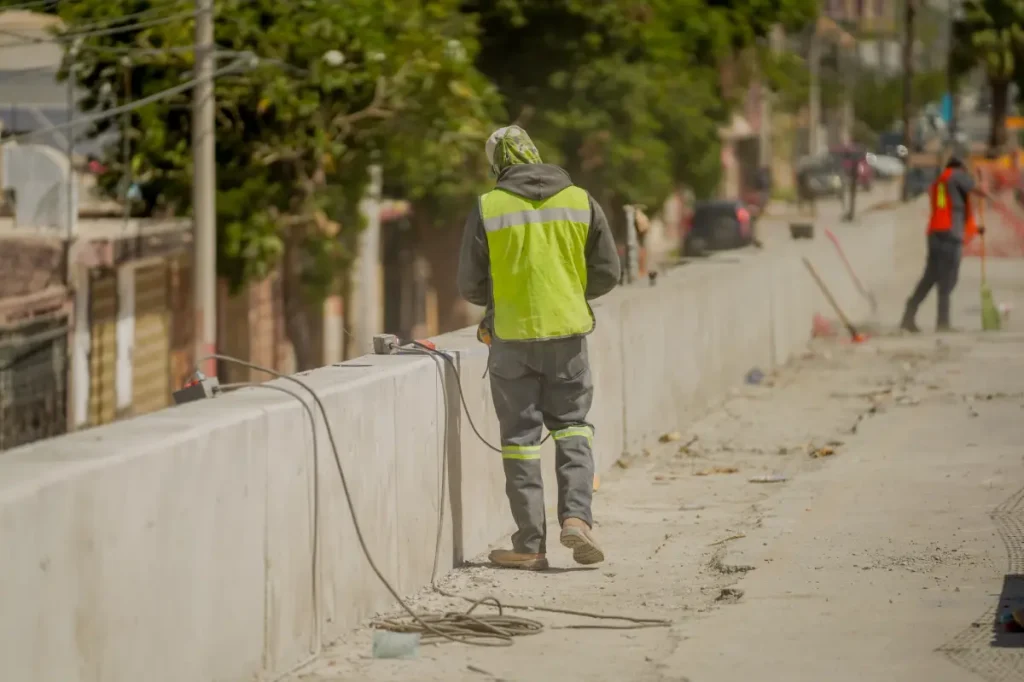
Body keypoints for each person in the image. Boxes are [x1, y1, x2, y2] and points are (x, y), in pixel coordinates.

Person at [457, 125, 621, 570]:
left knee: (520, 440)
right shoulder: (580, 199)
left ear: (498, 165)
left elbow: (469, 284)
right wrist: (568, 292)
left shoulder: (488, 206)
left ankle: (530, 546)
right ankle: (577, 519)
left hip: (511, 338)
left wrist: (501, 298)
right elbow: (608, 270)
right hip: (568, 334)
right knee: (572, 426)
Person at [901, 156, 987, 333]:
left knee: (931, 277)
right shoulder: (955, 174)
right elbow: (978, 190)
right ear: (960, 168)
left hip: (935, 232)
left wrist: (976, 229)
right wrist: (993, 197)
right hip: (949, 235)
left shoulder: (940, 182)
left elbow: (951, 210)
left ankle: (908, 314)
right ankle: (943, 323)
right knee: (947, 279)